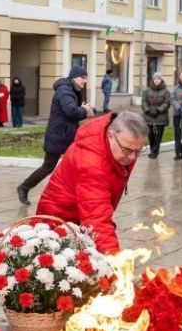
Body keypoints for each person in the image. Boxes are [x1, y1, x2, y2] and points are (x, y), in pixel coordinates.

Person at [36, 111, 148, 254]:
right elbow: (96, 218)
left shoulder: (122, 147)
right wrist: (114, 259)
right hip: (57, 226)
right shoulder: (92, 163)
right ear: (110, 135)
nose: (132, 157)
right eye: (127, 150)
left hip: (80, 220)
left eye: (138, 151)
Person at [17, 65, 94, 204]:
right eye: (83, 77)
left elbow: (72, 111)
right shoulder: (64, 90)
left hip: (67, 136)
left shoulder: (72, 89)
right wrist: (83, 110)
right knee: (48, 167)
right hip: (58, 136)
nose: (85, 81)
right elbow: (71, 111)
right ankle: (24, 187)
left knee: (76, 165)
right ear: (74, 77)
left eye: (86, 78)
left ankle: (73, 195)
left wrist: (83, 108)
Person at [141, 73, 170, 159]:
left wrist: (159, 110)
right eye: (155, 79)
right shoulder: (147, 91)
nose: (156, 80)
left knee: (158, 135)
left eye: (158, 79)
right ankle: (152, 149)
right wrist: (148, 110)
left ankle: (155, 151)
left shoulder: (166, 92)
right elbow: (144, 102)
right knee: (150, 134)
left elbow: (167, 103)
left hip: (161, 116)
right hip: (149, 115)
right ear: (153, 80)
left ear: (161, 80)